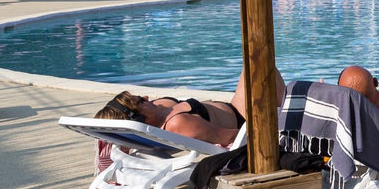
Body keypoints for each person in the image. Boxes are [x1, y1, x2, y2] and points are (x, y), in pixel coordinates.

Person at [93, 66, 283, 148]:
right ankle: (294, 113)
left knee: (256, 61)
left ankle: (294, 106)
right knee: (260, 64)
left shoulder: (157, 115)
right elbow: (230, 137)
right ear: (138, 119)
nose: (146, 97)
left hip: (234, 106)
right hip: (244, 118)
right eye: (141, 102)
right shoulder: (178, 124)